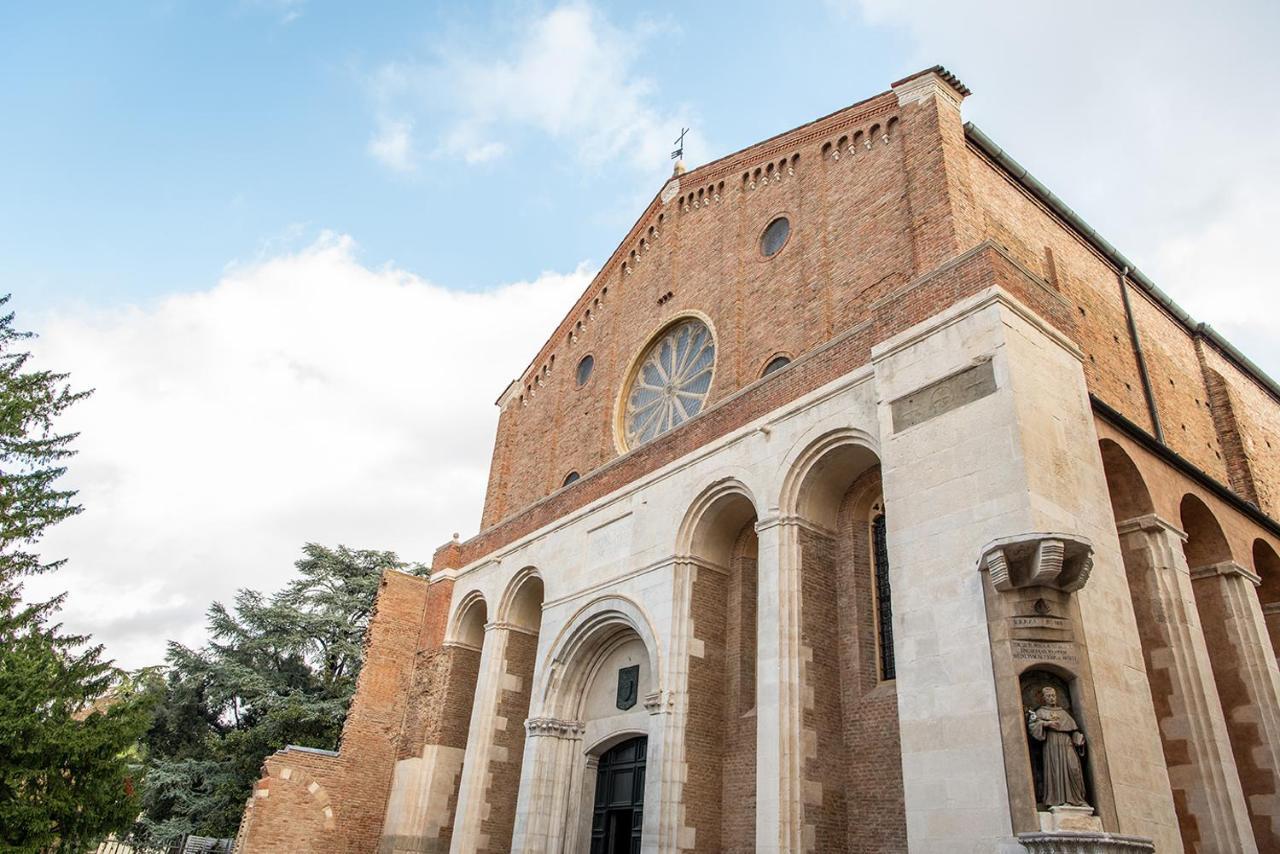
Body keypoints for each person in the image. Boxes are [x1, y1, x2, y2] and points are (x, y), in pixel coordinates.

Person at [1027, 686, 1089, 807]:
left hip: (1066, 743)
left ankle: (1078, 799)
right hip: (1052, 744)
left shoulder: (1063, 713)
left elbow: (1073, 729)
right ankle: (1060, 800)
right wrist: (1047, 723)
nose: (1052, 698)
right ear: (1044, 698)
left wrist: (1078, 738)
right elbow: (1033, 726)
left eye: (1053, 696)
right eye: (1049, 696)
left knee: (1073, 768)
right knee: (1056, 770)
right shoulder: (1041, 712)